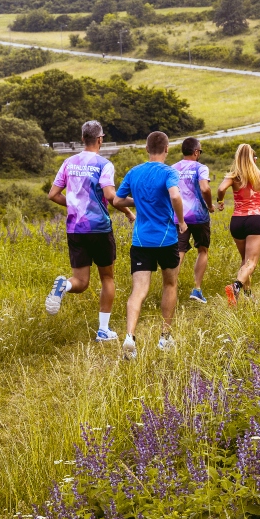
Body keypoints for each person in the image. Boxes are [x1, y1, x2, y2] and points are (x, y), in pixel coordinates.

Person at [45, 120, 134, 342]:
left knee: (80, 282)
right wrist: (134, 207)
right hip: (99, 229)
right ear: (100, 139)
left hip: (75, 229)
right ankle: (103, 330)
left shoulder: (68, 162)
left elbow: (53, 194)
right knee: (107, 278)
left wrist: (75, 206)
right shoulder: (104, 164)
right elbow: (112, 197)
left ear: (83, 138)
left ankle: (63, 285)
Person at [113, 131, 187, 360]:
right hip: (166, 240)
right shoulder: (169, 172)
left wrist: (138, 201)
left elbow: (116, 201)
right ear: (166, 149)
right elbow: (175, 196)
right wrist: (182, 221)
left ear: (147, 149)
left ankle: (129, 337)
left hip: (141, 240)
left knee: (139, 291)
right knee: (170, 284)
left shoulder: (134, 172)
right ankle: (165, 337)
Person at [216, 143, 260, 305]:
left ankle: (248, 294)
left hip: (237, 221)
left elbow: (221, 188)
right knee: (251, 262)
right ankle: (236, 286)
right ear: (253, 159)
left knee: (245, 261)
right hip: (255, 220)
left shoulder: (233, 176)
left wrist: (221, 201)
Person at [172, 137, 213, 303]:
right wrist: (210, 205)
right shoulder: (200, 168)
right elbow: (205, 187)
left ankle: (171, 288)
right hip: (199, 215)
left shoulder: (173, 168)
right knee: (202, 250)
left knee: (179, 251)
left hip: (178, 215)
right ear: (196, 152)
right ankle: (196, 289)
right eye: (200, 151)